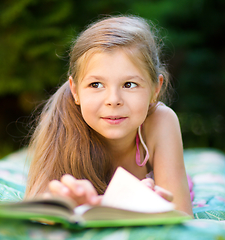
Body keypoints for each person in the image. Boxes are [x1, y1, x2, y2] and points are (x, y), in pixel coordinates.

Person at [25, 15, 193, 216]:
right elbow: (34, 212)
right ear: (75, 91)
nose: (113, 100)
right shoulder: (58, 124)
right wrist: (73, 205)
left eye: (129, 84)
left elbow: (182, 216)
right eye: (96, 85)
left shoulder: (161, 121)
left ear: (155, 89)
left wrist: (143, 205)